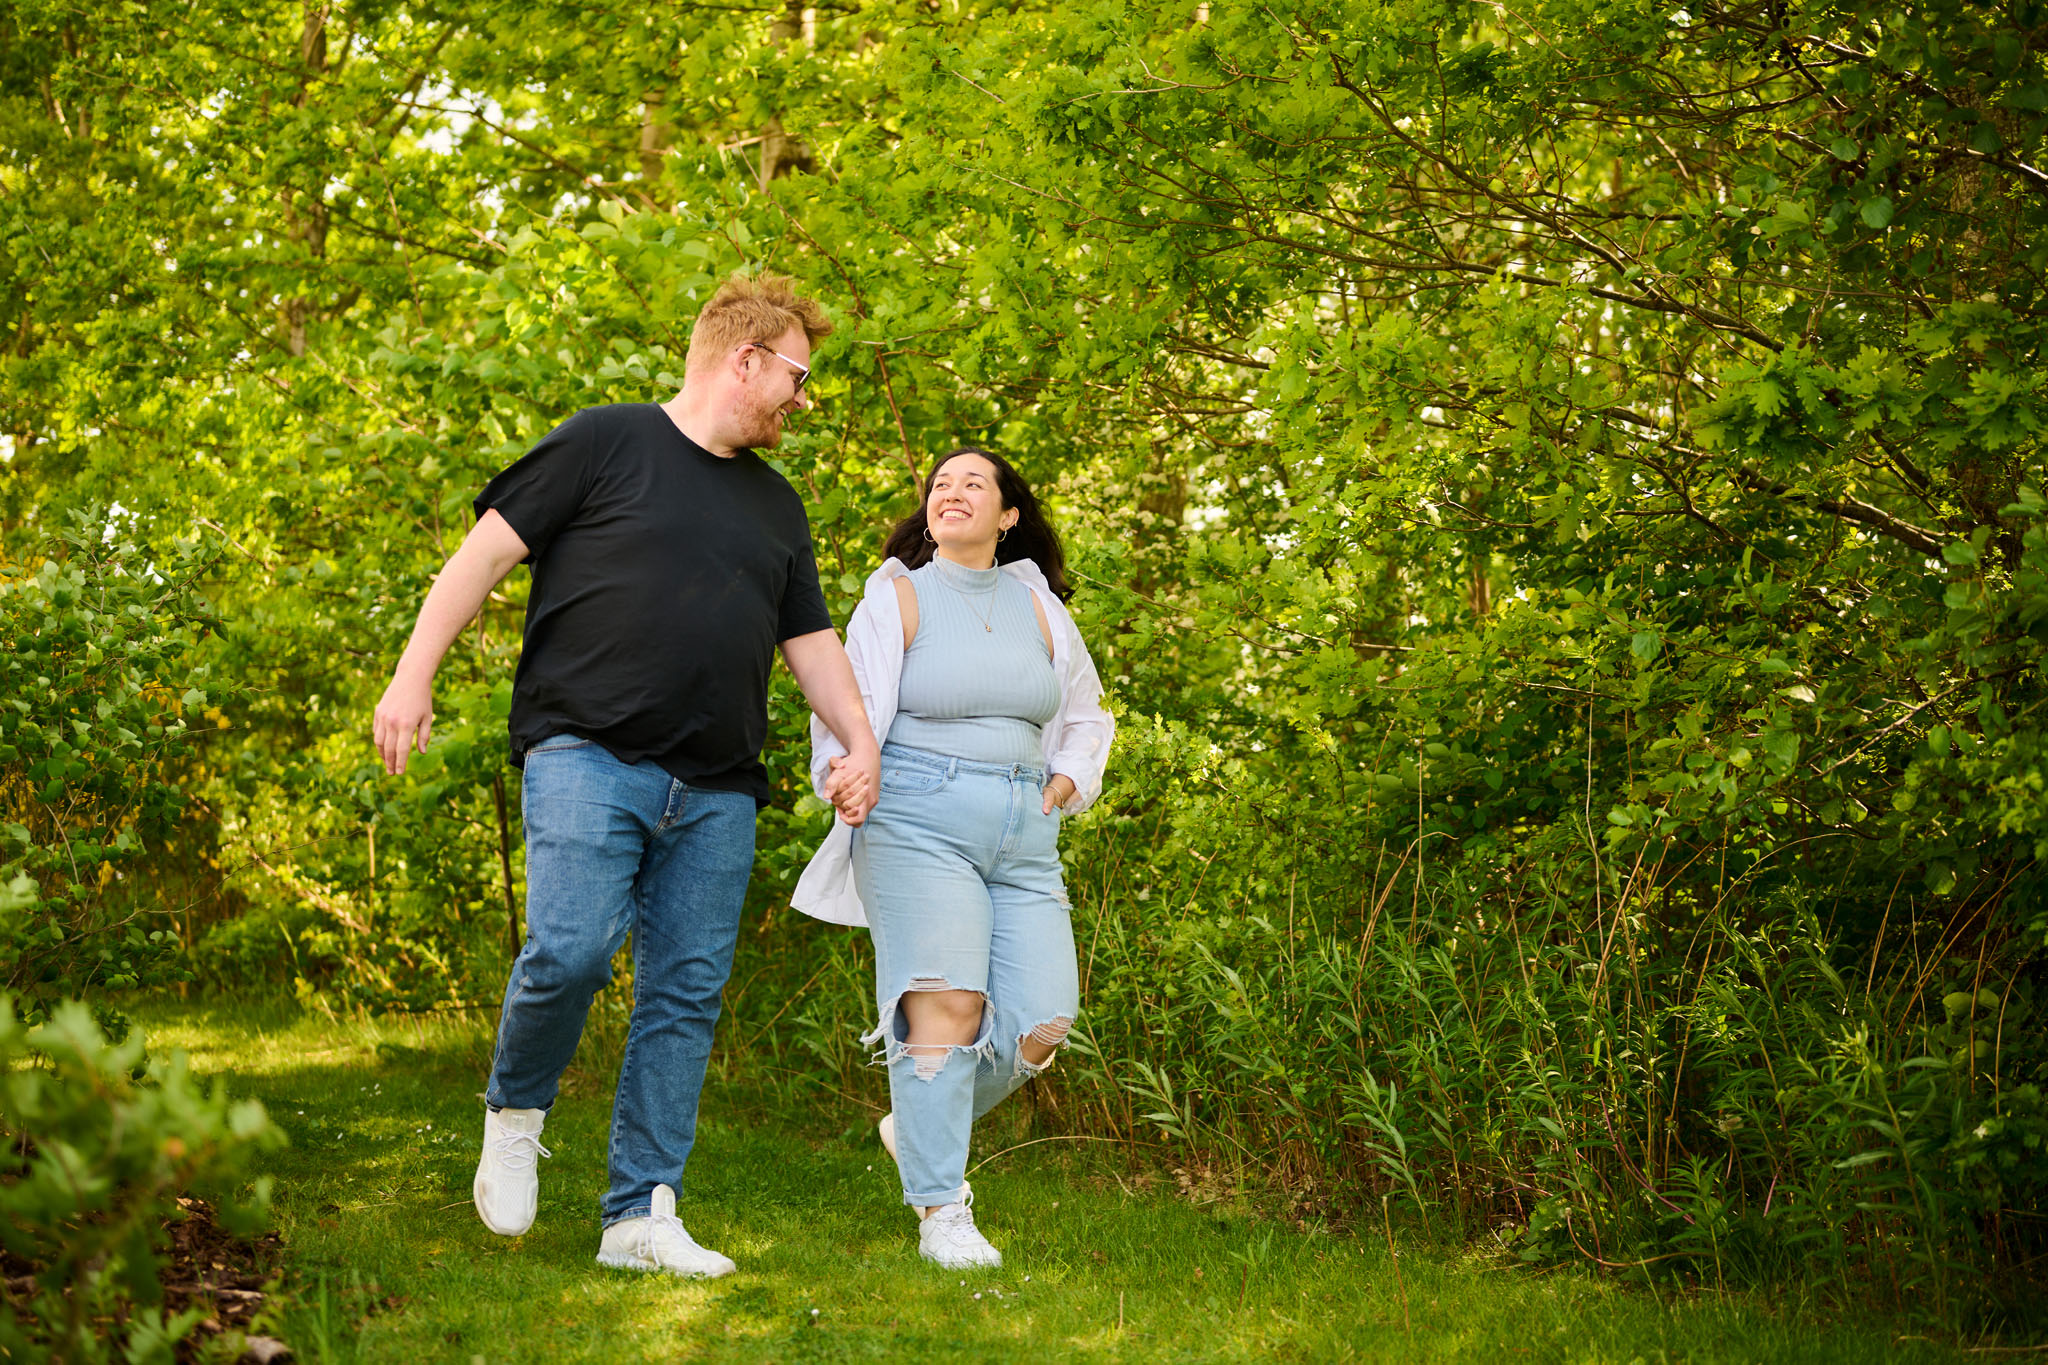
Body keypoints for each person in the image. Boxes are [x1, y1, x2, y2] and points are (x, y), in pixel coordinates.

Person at [371, 273, 880, 1278]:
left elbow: (810, 638)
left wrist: (858, 739)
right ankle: (516, 1113)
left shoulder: (777, 507)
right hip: (585, 752)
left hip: (719, 784)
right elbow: (480, 558)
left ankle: (639, 1216)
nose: (801, 400)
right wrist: (410, 678)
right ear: (746, 360)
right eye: (796, 377)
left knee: (684, 995)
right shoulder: (604, 441)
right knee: (567, 949)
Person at [793, 446, 1114, 1269]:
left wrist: (1071, 778)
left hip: (1023, 824)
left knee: (1046, 1020)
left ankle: (919, 1121)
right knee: (949, 1007)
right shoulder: (897, 595)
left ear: (1009, 515)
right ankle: (942, 1210)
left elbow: (1085, 711)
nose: (953, 492)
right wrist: (848, 771)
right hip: (917, 814)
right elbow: (847, 701)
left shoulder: (1039, 605)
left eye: (976, 483)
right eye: (941, 483)